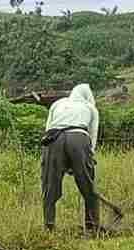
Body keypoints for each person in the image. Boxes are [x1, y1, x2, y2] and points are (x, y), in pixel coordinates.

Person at [40, 83, 100, 233]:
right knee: (88, 187)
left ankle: (49, 226)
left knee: (50, 185)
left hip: (54, 139)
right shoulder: (90, 108)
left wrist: (55, 159)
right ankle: (92, 227)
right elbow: (92, 136)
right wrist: (88, 157)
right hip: (79, 138)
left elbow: (48, 129)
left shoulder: (57, 104)